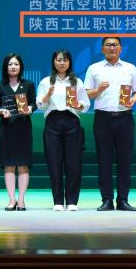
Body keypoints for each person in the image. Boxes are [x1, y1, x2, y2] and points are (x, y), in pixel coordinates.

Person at [85, 36, 136, 211]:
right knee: (104, 160)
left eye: (115, 45)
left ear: (120, 48)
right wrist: (98, 90)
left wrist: (133, 99)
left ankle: (123, 200)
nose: (112, 48)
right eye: (108, 45)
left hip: (125, 117)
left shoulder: (130, 68)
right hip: (102, 118)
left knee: (125, 160)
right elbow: (87, 94)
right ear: (102, 49)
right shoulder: (94, 68)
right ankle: (107, 200)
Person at [38, 49, 88, 212]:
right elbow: (40, 105)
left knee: (74, 163)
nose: (61, 63)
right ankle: (58, 201)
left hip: (72, 121)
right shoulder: (46, 82)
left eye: (65, 60)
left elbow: (86, 104)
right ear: (53, 62)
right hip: (52, 122)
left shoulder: (77, 82)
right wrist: (47, 95)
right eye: (59, 60)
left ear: (69, 62)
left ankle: (72, 201)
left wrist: (79, 105)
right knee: (54, 162)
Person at [0, 53, 37, 211]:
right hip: (7, 128)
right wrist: (1, 111)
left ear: (21, 67)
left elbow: (34, 103)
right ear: (5, 67)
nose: (13, 67)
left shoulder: (28, 85)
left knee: (23, 165)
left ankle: (22, 200)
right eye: (10, 64)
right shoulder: (0, 86)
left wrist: (30, 108)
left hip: (23, 127)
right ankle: (12, 200)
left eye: (16, 64)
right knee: (9, 165)